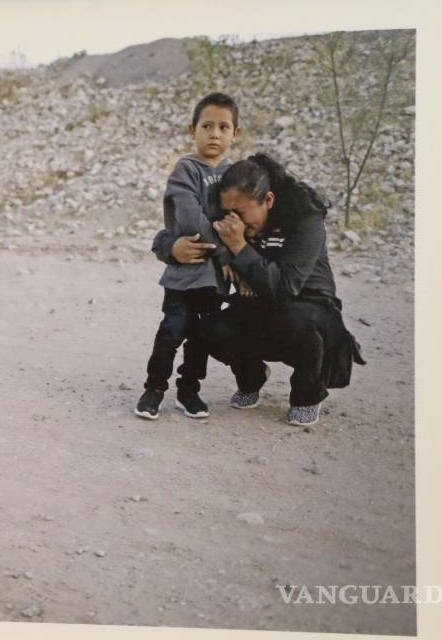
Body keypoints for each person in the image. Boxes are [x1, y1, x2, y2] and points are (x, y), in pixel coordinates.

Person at [189, 153, 364, 426]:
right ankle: (252, 377)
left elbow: (285, 287)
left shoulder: (306, 220)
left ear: (268, 200)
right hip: (264, 308)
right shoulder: (234, 222)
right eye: (228, 213)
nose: (235, 222)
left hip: (313, 312)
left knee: (295, 319)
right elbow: (200, 232)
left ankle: (307, 396)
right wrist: (226, 254)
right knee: (211, 328)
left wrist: (239, 248)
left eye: (242, 213)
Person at [135, 92, 241, 421]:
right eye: (207, 126)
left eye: (224, 127)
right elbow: (192, 219)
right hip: (185, 274)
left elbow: (240, 220)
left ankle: (189, 391)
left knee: (200, 339)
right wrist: (225, 252)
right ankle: (154, 388)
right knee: (172, 331)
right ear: (192, 129)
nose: (214, 134)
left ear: (235, 134)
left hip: (213, 281)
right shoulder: (186, 169)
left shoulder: (237, 174)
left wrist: (235, 255)